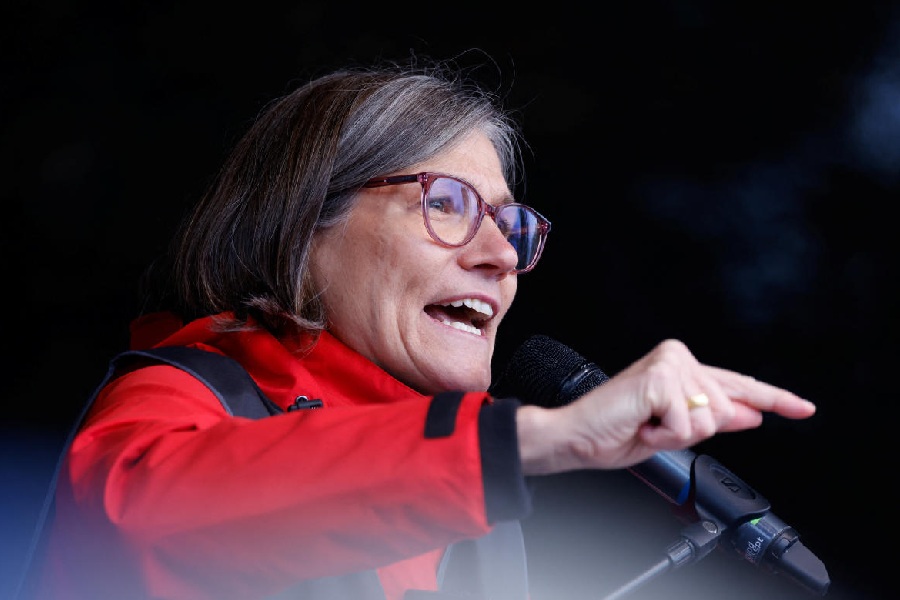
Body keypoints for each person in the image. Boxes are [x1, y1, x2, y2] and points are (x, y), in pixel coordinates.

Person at [33, 56, 817, 600]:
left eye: (510, 225)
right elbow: (142, 521)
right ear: (304, 223)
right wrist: (531, 441)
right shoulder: (184, 394)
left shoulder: (481, 521)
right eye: (446, 203)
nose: (500, 257)